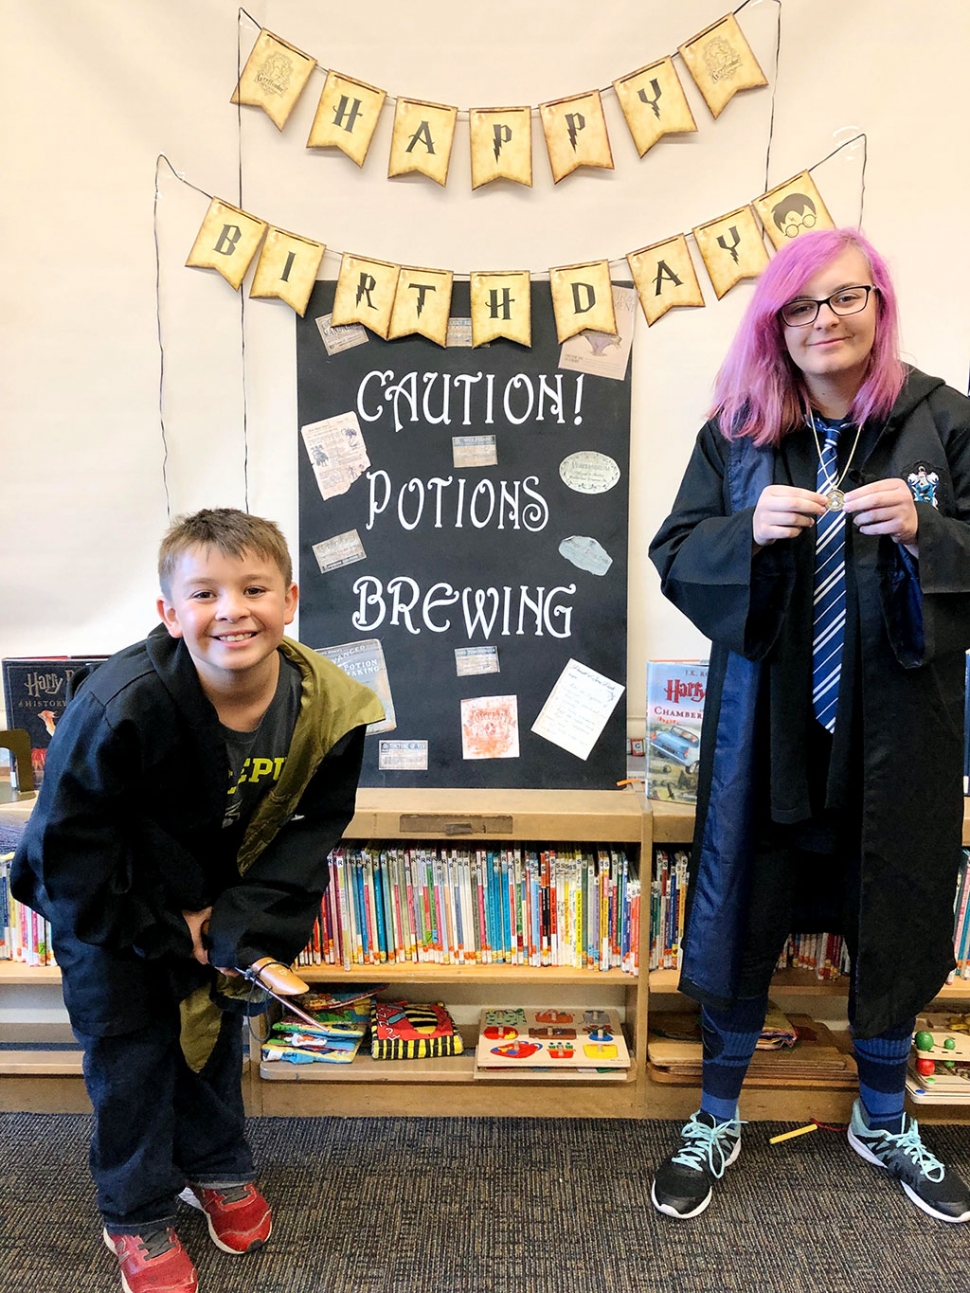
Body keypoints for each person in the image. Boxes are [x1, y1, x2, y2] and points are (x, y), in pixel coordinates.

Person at [648, 228, 970, 1224]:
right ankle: (714, 1113)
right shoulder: (737, 432)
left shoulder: (943, 422)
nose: (821, 322)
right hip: (770, 728)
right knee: (744, 907)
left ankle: (882, 1115)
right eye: (797, 307)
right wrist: (741, 531)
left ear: (878, 304)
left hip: (898, 729)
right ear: (772, 327)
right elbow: (676, 548)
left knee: (895, 908)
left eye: (842, 299)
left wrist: (929, 530)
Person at [12, 508, 383, 1292]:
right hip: (111, 909)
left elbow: (310, 829)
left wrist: (230, 928)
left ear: (289, 598)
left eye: (252, 588)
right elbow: (65, 853)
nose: (231, 610)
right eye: (205, 593)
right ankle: (136, 1208)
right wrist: (159, 927)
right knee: (132, 1054)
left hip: (217, 901)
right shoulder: (123, 704)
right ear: (169, 613)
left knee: (214, 1036)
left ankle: (213, 1164)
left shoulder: (328, 708)